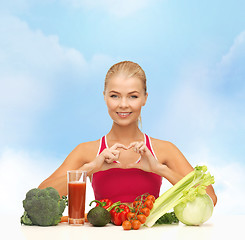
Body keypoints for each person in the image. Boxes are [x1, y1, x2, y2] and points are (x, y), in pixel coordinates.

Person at [39, 61, 217, 206]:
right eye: (115, 96)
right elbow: (40, 197)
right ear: (104, 97)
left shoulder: (164, 150)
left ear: (145, 98)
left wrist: (161, 169)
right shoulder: (87, 151)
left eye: (133, 96)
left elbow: (210, 198)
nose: (123, 104)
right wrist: (88, 169)